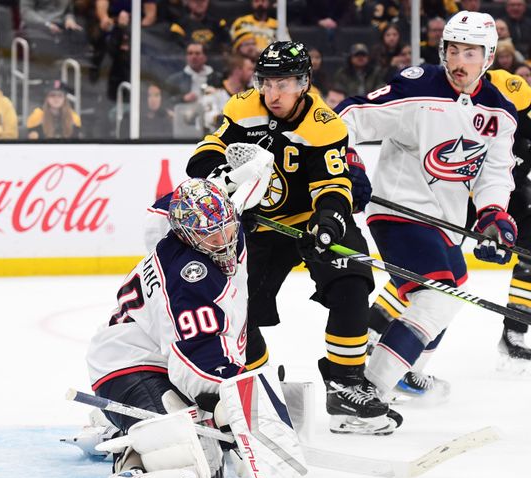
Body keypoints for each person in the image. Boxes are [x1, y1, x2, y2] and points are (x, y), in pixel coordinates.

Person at [186, 41, 399, 435]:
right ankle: (258, 387)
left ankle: (345, 382)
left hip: (308, 222)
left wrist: (330, 224)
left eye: (283, 83)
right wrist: (219, 173)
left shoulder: (324, 125)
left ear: (303, 83)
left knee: (352, 277)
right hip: (259, 227)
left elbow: (334, 186)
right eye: (266, 82)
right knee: (236, 311)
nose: (272, 94)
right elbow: (207, 152)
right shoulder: (243, 107)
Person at [335, 11, 518, 404]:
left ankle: (405, 369)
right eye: (452, 50)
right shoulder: (419, 88)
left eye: (470, 52)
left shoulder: (500, 112)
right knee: (439, 296)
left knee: (456, 284)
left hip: (445, 222)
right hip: (400, 211)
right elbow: (348, 117)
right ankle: (366, 391)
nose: (458, 62)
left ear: (488, 57)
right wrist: (347, 164)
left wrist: (494, 216)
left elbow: (496, 174)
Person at [84, 179, 247, 478]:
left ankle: (121, 420)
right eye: (211, 234)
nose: (223, 240)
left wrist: (243, 173)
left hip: (159, 360)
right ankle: (130, 456)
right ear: (187, 236)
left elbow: (240, 193)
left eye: (227, 228)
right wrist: (227, 400)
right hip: (127, 366)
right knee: (188, 459)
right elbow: (193, 356)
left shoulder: (201, 232)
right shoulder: (190, 277)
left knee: (214, 458)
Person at [367, 66, 531, 374]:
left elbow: (505, 173)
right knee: (431, 272)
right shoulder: (469, 101)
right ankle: (375, 325)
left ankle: (515, 331)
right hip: (453, 192)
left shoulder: (518, 112)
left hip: (496, 199)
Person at [200, 54, 254, 131]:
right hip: (218, 138)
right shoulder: (215, 90)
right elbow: (208, 117)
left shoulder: (252, 93)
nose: (252, 73)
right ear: (237, 70)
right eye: (249, 69)